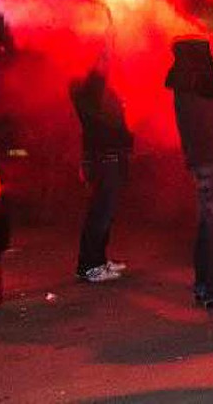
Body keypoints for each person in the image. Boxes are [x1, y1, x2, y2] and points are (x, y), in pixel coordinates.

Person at [165, 37, 213, 306]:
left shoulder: (183, 83)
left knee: (209, 224)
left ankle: (204, 283)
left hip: (200, 162)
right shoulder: (201, 84)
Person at [70, 52, 132, 283]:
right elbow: (100, 71)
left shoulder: (93, 95)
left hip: (109, 158)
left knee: (105, 212)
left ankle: (98, 260)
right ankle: (90, 265)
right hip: (106, 160)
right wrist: (108, 39)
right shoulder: (87, 93)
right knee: (100, 213)